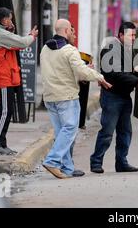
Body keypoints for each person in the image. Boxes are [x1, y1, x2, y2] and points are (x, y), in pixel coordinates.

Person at [41, 19, 111, 179]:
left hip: (50, 97)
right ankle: (52, 160)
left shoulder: (45, 48)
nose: (74, 34)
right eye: (72, 31)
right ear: (66, 31)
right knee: (70, 129)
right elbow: (81, 71)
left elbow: (62, 71)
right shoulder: (69, 50)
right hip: (66, 96)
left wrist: (84, 71)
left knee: (61, 132)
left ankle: (67, 168)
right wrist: (99, 77)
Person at [90, 22, 138, 174]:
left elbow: (132, 71)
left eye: (134, 35)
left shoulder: (131, 51)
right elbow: (114, 74)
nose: (133, 38)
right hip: (112, 96)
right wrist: (137, 81)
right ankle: (96, 162)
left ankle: (121, 162)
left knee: (125, 131)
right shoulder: (110, 50)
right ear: (120, 35)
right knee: (107, 132)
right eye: (131, 35)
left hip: (125, 96)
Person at [0, 7, 39, 155]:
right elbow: (22, 43)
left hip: (7, 78)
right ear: (3, 20)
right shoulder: (0, 33)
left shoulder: (1, 31)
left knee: (6, 112)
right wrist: (32, 36)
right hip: (2, 79)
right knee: (4, 112)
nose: (11, 21)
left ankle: (2, 143)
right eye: (9, 18)